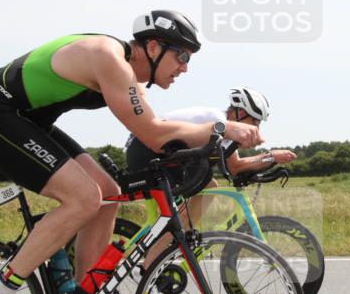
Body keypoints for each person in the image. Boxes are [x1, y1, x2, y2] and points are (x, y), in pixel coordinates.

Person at [0, 11, 262, 294]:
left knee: (107, 192)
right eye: (182, 55)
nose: (185, 67)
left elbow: (162, 133)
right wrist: (223, 127)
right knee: (84, 197)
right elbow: (152, 133)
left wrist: (210, 146)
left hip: (30, 122)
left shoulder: (128, 76)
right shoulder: (110, 59)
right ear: (152, 46)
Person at [125, 87, 296, 268]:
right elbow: (234, 167)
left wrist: (271, 158)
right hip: (145, 151)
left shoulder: (226, 130)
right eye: (254, 120)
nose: (256, 127)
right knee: (184, 214)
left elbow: (235, 166)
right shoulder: (217, 121)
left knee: (203, 193)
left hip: (149, 152)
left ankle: (168, 249)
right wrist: (271, 156)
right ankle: (149, 267)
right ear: (239, 112)